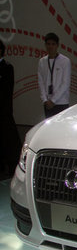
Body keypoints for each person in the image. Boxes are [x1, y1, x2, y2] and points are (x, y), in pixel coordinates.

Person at [0, 40, 22, 177]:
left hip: (4, 110)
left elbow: (7, 90)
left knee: (8, 139)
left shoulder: (7, 67)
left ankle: (11, 166)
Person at [38, 33, 71, 118]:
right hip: (47, 102)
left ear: (57, 45)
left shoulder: (65, 61)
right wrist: (44, 100)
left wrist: (53, 100)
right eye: (48, 44)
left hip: (61, 102)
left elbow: (65, 83)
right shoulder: (42, 61)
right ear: (45, 45)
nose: (50, 47)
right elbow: (41, 82)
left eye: (53, 44)